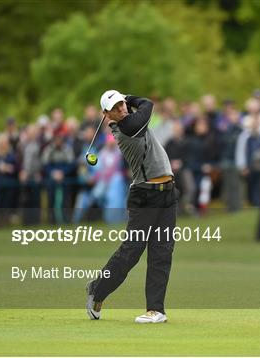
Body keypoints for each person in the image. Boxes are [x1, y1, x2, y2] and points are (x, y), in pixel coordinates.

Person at [86, 90, 178, 324]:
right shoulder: (126, 128)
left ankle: (156, 310)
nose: (122, 109)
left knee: (162, 252)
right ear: (107, 115)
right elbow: (147, 104)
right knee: (132, 251)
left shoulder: (129, 120)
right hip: (144, 196)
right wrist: (130, 97)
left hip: (167, 193)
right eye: (115, 107)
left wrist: (125, 99)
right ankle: (97, 290)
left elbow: (144, 107)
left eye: (122, 104)